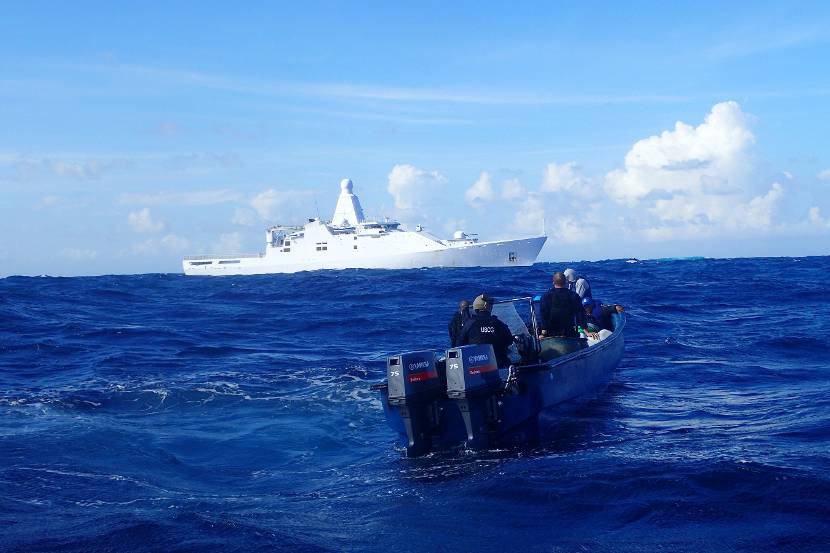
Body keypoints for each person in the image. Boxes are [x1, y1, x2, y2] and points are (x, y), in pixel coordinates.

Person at [457, 294, 514, 368]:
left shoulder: (469, 324)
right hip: (499, 364)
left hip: (475, 367)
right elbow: (509, 340)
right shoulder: (498, 323)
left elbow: (459, 343)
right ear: (487, 306)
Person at [539, 272, 586, 338]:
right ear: (565, 282)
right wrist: (586, 331)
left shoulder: (545, 296)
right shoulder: (574, 296)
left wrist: (543, 333)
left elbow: (543, 315)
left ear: (553, 282)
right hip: (569, 334)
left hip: (551, 334)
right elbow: (580, 314)